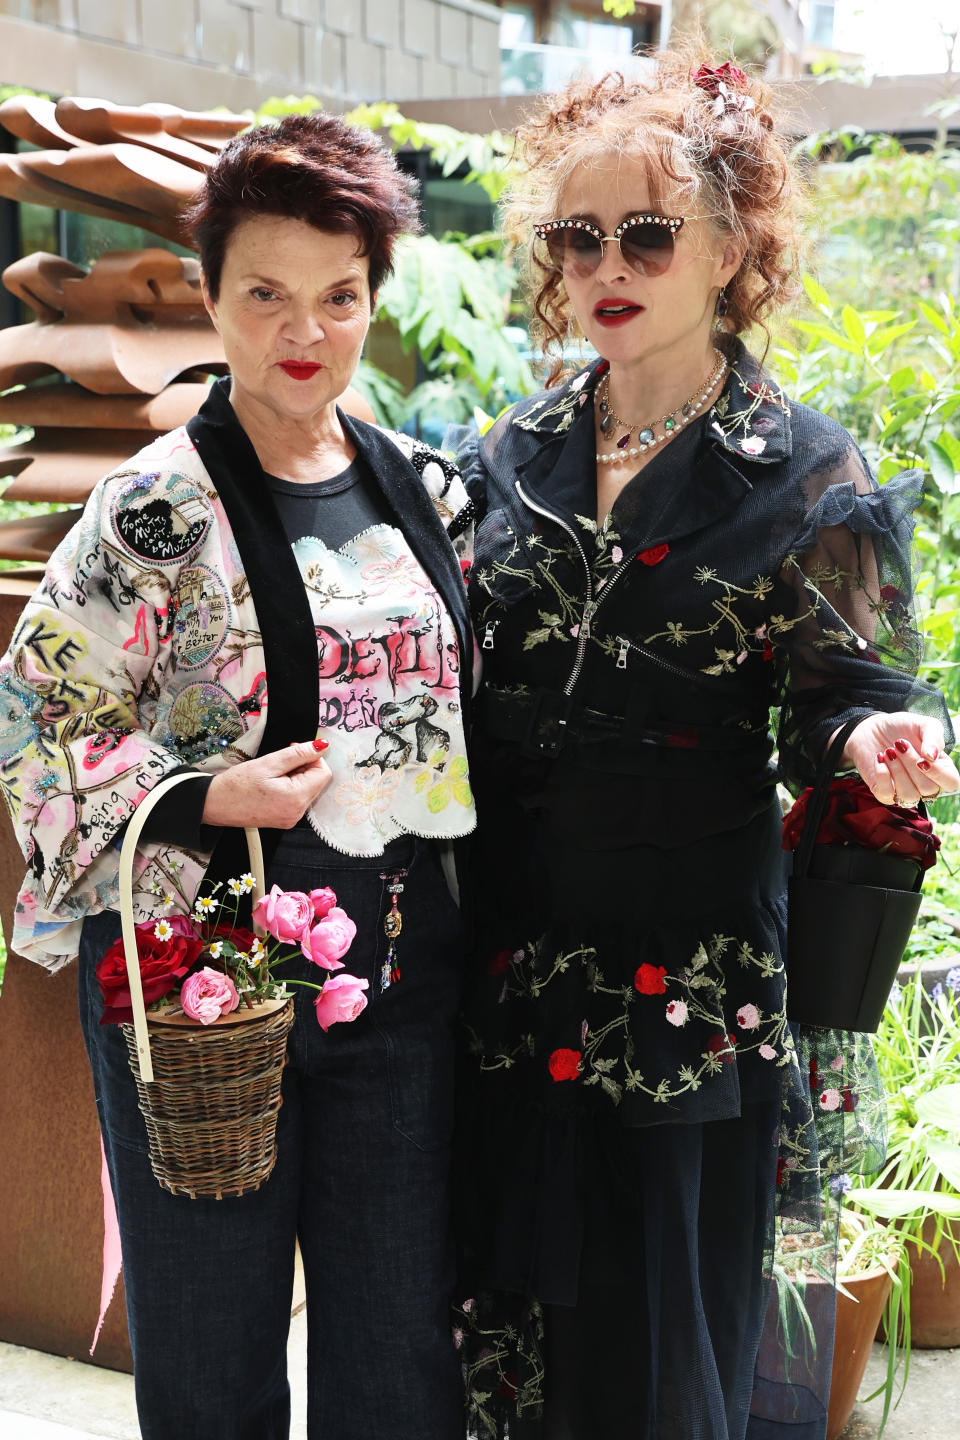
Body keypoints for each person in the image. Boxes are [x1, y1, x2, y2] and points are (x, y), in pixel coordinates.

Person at [451, 48, 959, 1440]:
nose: (610, 262)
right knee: (504, 1334)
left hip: (685, 983)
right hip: (505, 964)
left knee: (660, 1332)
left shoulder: (810, 472)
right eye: (580, 233)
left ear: (732, 245)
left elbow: (847, 688)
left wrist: (879, 741)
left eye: (650, 230)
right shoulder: (512, 455)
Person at [0, 113, 476, 1440]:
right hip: (205, 987)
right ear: (209, 293)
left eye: (339, 296)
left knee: (398, 1356)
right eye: (264, 292)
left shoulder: (423, 491)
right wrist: (210, 790)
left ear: (375, 303)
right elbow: (37, 717)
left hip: (399, 976)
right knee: (212, 1354)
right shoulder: (150, 510)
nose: (302, 330)